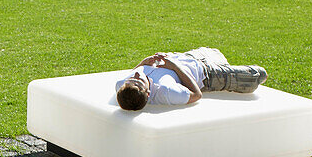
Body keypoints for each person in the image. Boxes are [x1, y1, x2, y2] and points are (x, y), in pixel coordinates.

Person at [115, 48, 268, 110]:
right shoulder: (168, 92)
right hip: (207, 74)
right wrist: (174, 67)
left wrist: (144, 62)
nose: (136, 75)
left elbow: (136, 72)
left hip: (188, 57)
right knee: (259, 74)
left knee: (216, 51)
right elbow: (197, 95)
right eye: (139, 80)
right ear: (148, 94)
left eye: (132, 79)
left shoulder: (122, 85)